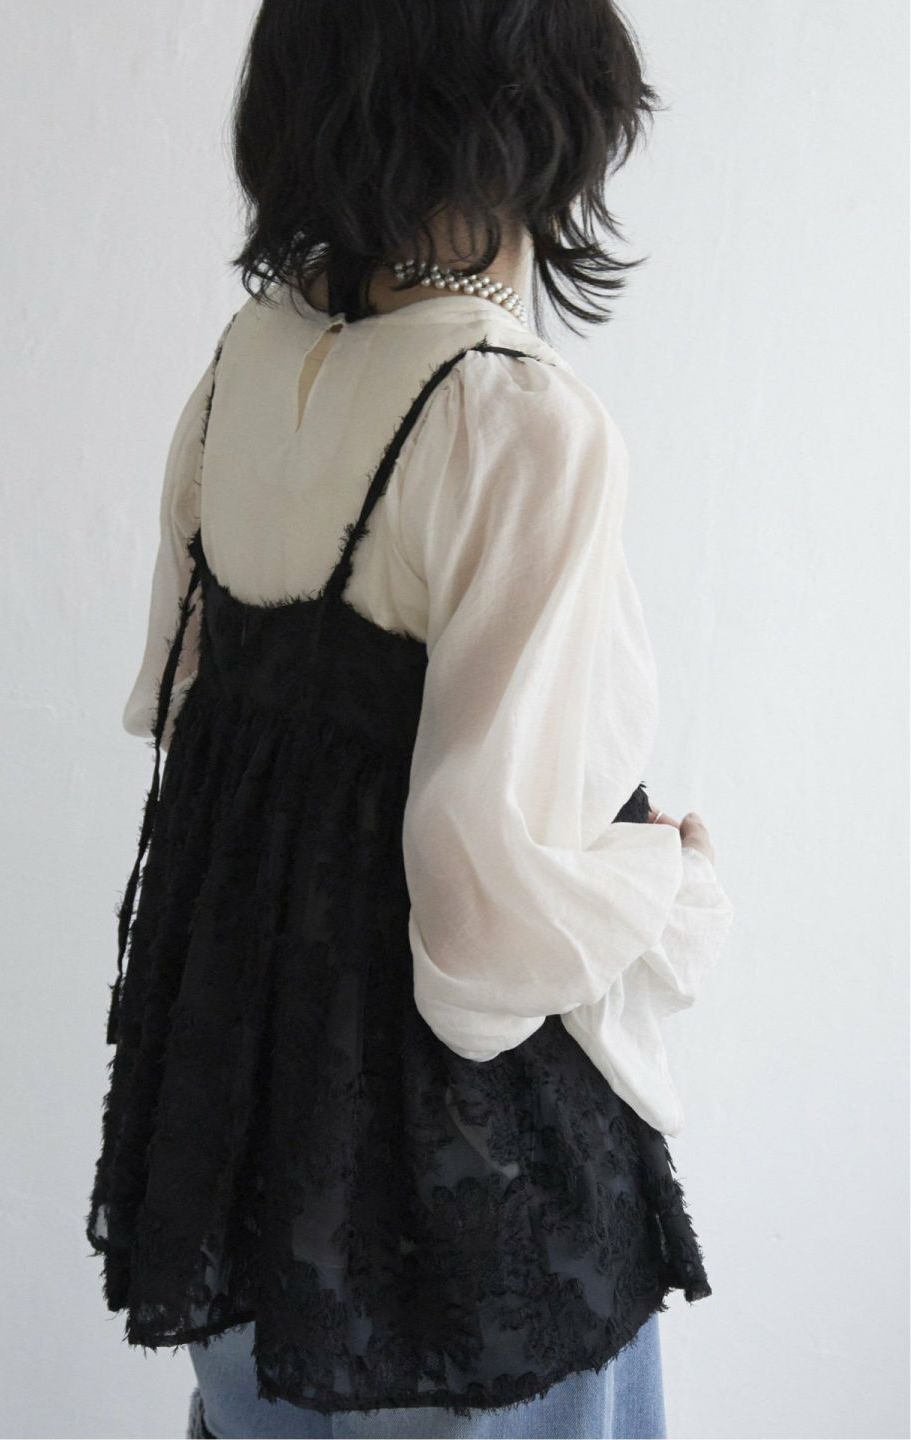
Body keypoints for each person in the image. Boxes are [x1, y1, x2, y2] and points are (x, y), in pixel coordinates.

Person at [85, 2, 736, 1436]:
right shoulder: (518, 421)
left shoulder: (242, 367)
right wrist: (669, 883)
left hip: (252, 1160)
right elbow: (485, 923)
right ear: (537, 122)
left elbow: (188, 722)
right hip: (459, 1208)